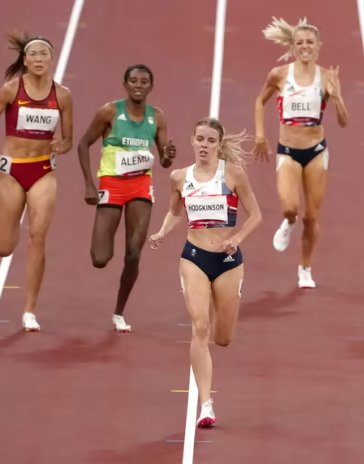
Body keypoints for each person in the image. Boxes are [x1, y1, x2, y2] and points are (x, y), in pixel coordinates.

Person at [148, 118, 262, 428]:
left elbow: (256, 215)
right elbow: (174, 212)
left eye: (210, 140)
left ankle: (218, 321)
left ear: (219, 144)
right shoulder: (179, 177)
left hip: (227, 263)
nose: (204, 145)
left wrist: (236, 238)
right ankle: (206, 404)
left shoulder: (233, 174)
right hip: (194, 257)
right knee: (200, 327)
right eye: (199, 139)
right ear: (191, 140)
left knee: (222, 338)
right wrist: (161, 233)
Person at [0, 31, 74, 332]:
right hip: (12, 170)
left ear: (51, 59)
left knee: (38, 238)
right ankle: (10, 225)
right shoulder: (10, 90)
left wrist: (63, 144)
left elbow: (69, 138)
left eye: (44, 54)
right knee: (4, 248)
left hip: (44, 170)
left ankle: (29, 310)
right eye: (33, 54)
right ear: (25, 60)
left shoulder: (63, 95)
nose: (39, 59)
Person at [77, 64, 177, 333]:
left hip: (140, 187)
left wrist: (168, 156)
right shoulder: (109, 111)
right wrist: (89, 184)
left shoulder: (157, 117)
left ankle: (119, 311)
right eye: (133, 80)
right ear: (125, 84)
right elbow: (83, 143)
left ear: (150, 87)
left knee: (133, 253)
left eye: (144, 81)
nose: (138, 85)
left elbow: (165, 160)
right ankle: (104, 241)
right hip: (111, 183)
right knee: (100, 258)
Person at [253, 16, 348, 289]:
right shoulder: (279, 75)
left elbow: (343, 121)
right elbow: (260, 101)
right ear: (293, 47)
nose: (305, 46)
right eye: (300, 43)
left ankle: (305, 268)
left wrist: (337, 96)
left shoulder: (327, 77)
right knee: (290, 207)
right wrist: (260, 134)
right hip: (288, 150)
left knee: (312, 216)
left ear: (319, 45)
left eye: (310, 42)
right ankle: (288, 222)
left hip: (316, 151)